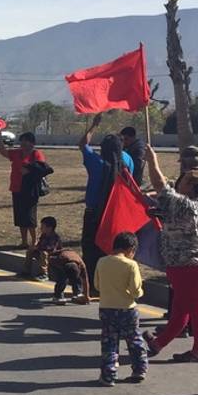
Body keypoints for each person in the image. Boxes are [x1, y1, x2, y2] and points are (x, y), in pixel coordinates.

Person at [142, 144, 198, 363]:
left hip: (188, 267)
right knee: (182, 308)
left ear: (190, 186)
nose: (178, 183)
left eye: (182, 180)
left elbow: (160, 184)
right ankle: (158, 343)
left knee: (195, 309)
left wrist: (152, 160)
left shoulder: (181, 204)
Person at [78, 115, 134, 286]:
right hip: (115, 213)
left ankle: (92, 285)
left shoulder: (97, 162)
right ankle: (110, 284)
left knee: (90, 250)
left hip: (94, 213)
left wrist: (94, 125)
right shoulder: (126, 161)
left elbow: (83, 145)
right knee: (110, 250)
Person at [95, 231, 147, 386]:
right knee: (134, 340)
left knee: (109, 342)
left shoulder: (101, 262)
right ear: (130, 249)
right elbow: (136, 291)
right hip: (127, 309)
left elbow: (97, 285)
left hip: (106, 308)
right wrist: (140, 292)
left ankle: (108, 375)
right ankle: (139, 369)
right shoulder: (131, 265)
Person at [0, 131, 45, 250]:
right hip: (16, 188)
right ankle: (24, 241)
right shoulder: (17, 153)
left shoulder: (36, 154)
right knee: (20, 216)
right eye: (22, 140)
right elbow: (3, 152)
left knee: (30, 216)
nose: (23, 143)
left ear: (32, 143)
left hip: (30, 190)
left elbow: (42, 167)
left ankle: (34, 241)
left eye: (26, 140)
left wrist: (29, 171)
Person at [26, 215, 62, 281]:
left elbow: (51, 248)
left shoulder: (55, 237)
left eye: (43, 226)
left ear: (50, 228)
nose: (41, 228)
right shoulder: (43, 235)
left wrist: (38, 248)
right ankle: (27, 271)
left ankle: (44, 274)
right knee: (30, 251)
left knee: (44, 253)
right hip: (41, 252)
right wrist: (35, 246)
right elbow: (39, 244)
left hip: (53, 256)